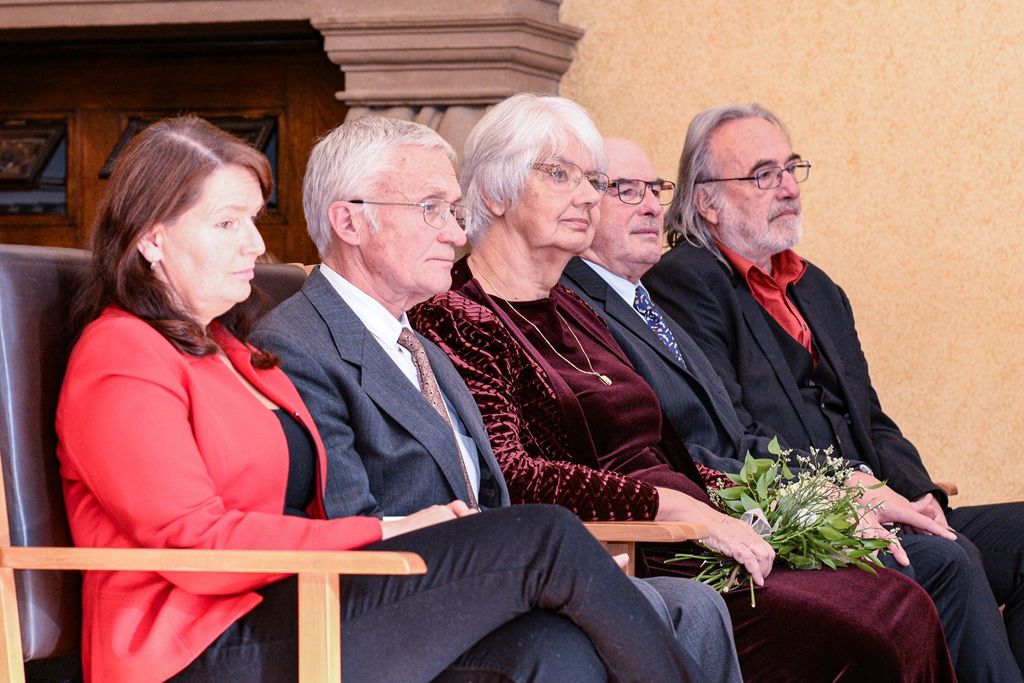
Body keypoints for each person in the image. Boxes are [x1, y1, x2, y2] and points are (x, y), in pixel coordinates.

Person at [55, 115, 702, 683]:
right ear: (151, 238)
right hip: (194, 651)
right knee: (546, 536)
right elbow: (189, 542)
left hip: (292, 605)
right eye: (227, 223)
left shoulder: (233, 349)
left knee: (556, 652)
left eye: (252, 221)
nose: (255, 244)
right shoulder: (120, 353)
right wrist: (389, 529)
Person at [410, 92, 956, 682]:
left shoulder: (576, 307)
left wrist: (802, 501)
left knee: (897, 599)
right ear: (494, 192)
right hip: (629, 552)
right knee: (863, 627)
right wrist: (677, 509)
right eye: (560, 175)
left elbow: (673, 450)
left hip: (702, 525)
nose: (588, 196)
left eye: (592, 179)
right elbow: (512, 474)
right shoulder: (457, 314)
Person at [252, 113, 739, 682]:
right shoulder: (297, 346)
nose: (457, 234)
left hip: (480, 580)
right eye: (431, 209)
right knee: (563, 635)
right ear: (350, 222)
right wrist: (530, 568)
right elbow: (351, 530)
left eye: (454, 212)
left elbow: (489, 493)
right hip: (387, 606)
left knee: (695, 605)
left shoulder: (418, 343)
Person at [564, 135, 1012, 680]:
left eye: (790, 168)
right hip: (757, 515)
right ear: (707, 202)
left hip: (848, 497)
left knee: (967, 548)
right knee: (945, 565)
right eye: (763, 174)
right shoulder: (682, 282)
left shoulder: (816, 287)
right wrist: (836, 498)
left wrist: (917, 490)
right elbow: (709, 441)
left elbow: (870, 417)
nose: (788, 188)